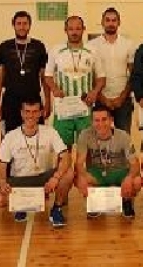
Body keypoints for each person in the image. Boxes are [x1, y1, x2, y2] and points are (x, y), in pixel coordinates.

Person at [0, 99, 73, 227]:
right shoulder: (10, 136)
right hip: (19, 181)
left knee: (68, 173)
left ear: (40, 113)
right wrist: (2, 181)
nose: (30, 115)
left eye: (35, 112)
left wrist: (55, 177)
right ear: (21, 113)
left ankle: (56, 208)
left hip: (43, 179)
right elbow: (1, 164)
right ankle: (21, 205)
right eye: (27, 111)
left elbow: (66, 157)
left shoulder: (50, 132)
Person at [44, 15, 106, 172]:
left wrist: (94, 92)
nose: (74, 32)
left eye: (78, 28)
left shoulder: (92, 51)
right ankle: (63, 182)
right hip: (63, 109)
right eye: (71, 28)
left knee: (87, 148)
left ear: (83, 29)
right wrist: (54, 89)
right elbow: (48, 76)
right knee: (63, 149)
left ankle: (86, 181)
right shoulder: (56, 50)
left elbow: (101, 77)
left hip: (85, 109)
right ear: (65, 30)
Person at [75, 104, 142, 218]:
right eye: (97, 120)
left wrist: (129, 178)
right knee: (81, 180)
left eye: (104, 119)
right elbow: (79, 163)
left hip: (119, 172)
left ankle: (126, 201)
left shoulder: (123, 136)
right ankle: (95, 202)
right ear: (92, 122)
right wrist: (83, 176)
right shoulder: (84, 135)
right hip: (97, 173)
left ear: (111, 120)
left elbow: (135, 163)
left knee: (136, 181)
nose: (101, 124)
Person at [0, 11, 51, 134]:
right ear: (13, 25)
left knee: (36, 135)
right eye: (18, 23)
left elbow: (44, 76)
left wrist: (47, 102)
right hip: (11, 100)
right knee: (9, 136)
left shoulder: (39, 46)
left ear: (30, 25)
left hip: (33, 99)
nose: (22, 27)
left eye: (25, 23)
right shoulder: (4, 47)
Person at [87, 7, 135, 132]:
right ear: (102, 22)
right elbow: (90, 75)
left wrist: (122, 97)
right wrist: (102, 98)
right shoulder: (91, 45)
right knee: (100, 136)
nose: (111, 23)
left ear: (119, 22)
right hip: (100, 99)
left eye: (114, 20)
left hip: (123, 100)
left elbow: (133, 74)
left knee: (123, 136)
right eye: (107, 20)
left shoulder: (128, 44)